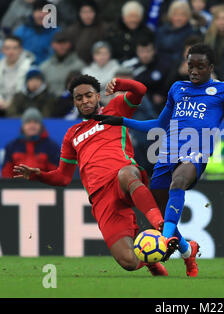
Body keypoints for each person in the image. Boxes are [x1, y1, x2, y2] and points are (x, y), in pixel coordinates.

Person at [93, 43, 224, 277]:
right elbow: (159, 125)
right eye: (191, 65)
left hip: (197, 152)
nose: (194, 71)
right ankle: (188, 251)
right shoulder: (177, 89)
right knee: (162, 215)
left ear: (210, 67)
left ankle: (167, 238)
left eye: (200, 66)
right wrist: (122, 122)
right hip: (167, 153)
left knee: (178, 182)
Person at [12, 74, 167, 276]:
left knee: (126, 173)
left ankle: (160, 225)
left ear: (97, 96)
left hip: (121, 176)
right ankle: (150, 260)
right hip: (100, 198)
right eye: (79, 98)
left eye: (89, 95)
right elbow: (63, 178)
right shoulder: (72, 135)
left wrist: (120, 83)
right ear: (74, 102)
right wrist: (38, 175)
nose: (85, 101)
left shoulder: (116, 109)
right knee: (128, 261)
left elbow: (140, 90)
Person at [1, 108, 60, 178]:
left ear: (41, 126)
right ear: (23, 126)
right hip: (17, 187)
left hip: (43, 187)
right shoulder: (11, 146)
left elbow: (55, 174)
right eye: (28, 122)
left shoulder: (52, 146)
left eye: (35, 122)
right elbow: (6, 173)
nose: (32, 125)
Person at [0, 35, 34, 116]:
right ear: (3, 50)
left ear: (20, 50)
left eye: (15, 48)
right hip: (1, 103)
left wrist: (11, 102)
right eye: (7, 48)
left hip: (21, 102)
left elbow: (25, 90)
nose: (11, 52)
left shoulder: (29, 66)